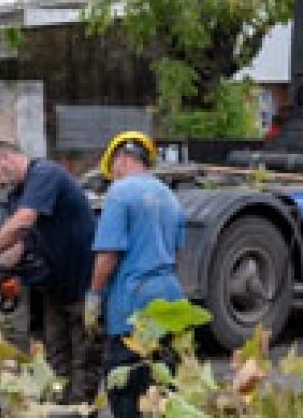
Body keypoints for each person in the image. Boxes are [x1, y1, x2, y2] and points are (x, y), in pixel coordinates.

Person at [0, 142, 103, 408]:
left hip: (84, 289)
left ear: (7, 159)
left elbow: (23, 222)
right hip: (54, 290)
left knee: (85, 365)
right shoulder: (17, 194)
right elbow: (21, 243)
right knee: (56, 363)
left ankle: (80, 412)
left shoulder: (45, 174)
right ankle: (60, 410)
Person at [85, 131, 185, 418]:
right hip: (170, 297)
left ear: (122, 160)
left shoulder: (120, 192)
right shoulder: (171, 197)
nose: (113, 176)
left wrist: (93, 296)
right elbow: (177, 255)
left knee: (126, 389)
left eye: (113, 169)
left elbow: (108, 254)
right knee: (162, 387)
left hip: (134, 303)